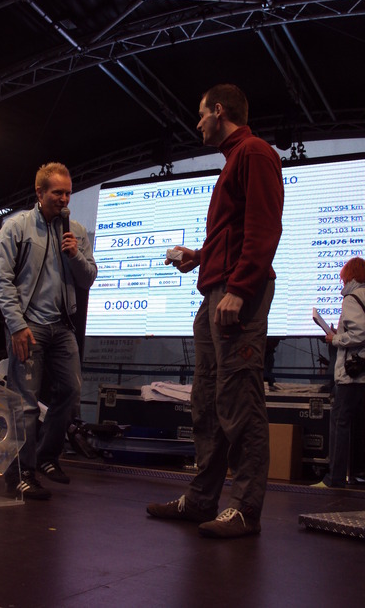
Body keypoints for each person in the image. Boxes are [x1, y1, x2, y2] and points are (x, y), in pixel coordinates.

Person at [147, 84, 284, 538]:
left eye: (201, 114)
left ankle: (245, 508)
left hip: (236, 293)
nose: (198, 123)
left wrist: (240, 289)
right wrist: (200, 256)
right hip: (215, 291)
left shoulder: (255, 152)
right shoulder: (233, 160)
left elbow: (265, 226)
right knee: (206, 401)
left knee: (240, 398)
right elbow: (234, 230)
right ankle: (201, 500)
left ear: (219, 111)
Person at [0, 162, 97, 500]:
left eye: (68, 193)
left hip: (62, 326)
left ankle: (46, 457)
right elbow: (1, 280)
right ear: (39, 192)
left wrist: (75, 254)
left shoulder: (75, 231)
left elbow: (88, 278)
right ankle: (20, 474)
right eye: (57, 193)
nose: (64, 199)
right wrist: (16, 325)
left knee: (71, 392)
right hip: (28, 326)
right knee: (24, 403)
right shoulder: (17, 227)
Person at [317, 257, 365, 488]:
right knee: (359, 425)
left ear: (350, 275)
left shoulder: (351, 298)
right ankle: (358, 474)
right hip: (363, 372)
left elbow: (360, 333)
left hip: (351, 374)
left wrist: (335, 338)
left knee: (339, 422)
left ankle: (334, 478)